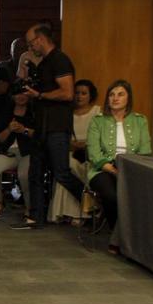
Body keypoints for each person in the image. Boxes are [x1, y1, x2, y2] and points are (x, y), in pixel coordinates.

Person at [11, 24, 81, 229]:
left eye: (31, 43)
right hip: (43, 125)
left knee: (61, 172)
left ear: (40, 39)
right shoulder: (44, 63)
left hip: (57, 126)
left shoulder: (60, 60)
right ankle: (35, 217)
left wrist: (40, 95)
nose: (30, 47)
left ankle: (92, 200)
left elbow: (67, 93)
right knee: (35, 171)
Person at [87, 80, 152, 250]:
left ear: (128, 99)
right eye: (112, 94)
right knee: (113, 195)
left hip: (132, 169)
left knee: (144, 194)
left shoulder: (140, 121)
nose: (115, 98)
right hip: (103, 169)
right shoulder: (97, 121)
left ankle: (134, 239)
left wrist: (127, 171)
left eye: (120, 94)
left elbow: (145, 151)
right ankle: (120, 238)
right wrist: (112, 169)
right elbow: (93, 153)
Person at [48, 79, 100, 223]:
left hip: (90, 153)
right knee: (64, 164)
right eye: (77, 93)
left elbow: (102, 136)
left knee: (67, 166)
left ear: (91, 95)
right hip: (69, 150)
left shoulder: (98, 112)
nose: (79, 96)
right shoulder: (66, 113)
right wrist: (71, 144)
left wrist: (87, 144)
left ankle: (82, 214)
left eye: (84, 93)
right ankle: (66, 213)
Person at [0, 92, 35, 218]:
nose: (21, 96)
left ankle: (30, 208)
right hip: (9, 153)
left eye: (24, 94)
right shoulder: (6, 113)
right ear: (13, 95)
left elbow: (39, 136)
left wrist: (24, 130)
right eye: (18, 94)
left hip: (28, 153)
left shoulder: (34, 112)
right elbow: (0, 139)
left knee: (24, 175)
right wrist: (9, 129)